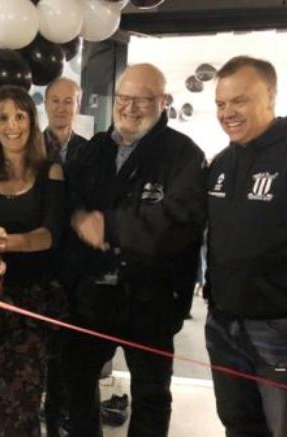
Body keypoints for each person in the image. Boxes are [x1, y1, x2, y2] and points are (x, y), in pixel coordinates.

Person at [63, 63, 206, 437]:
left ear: (161, 102)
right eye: (124, 98)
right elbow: (72, 211)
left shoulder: (183, 154)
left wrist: (108, 227)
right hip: (92, 296)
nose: (130, 107)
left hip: (152, 299)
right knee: (77, 385)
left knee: (152, 395)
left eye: (142, 99)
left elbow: (177, 223)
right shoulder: (93, 150)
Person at [0, 85, 66, 436]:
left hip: (33, 304)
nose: (12, 125)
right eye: (3, 117)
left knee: (24, 399)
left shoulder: (51, 171)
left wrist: (7, 244)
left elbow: (49, 235)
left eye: (20, 116)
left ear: (32, 122)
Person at [206, 56, 287, 437]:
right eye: (221, 104)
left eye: (239, 101)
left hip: (280, 331)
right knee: (238, 427)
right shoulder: (222, 162)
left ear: (271, 95)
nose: (228, 113)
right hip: (224, 326)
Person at [44, 77, 87, 167]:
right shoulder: (30, 146)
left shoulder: (88, 150)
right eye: (55, 101)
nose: (61, 108)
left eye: (68, 102)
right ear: (46, 105)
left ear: (78, 108)